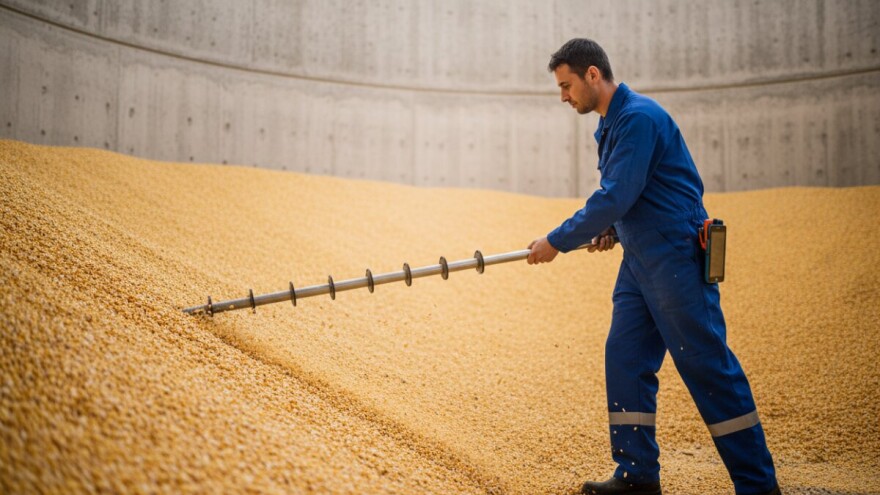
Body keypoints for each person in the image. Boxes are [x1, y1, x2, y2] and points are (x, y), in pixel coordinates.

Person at [527, 38, 780, 495]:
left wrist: (557, 242)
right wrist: (616, 231)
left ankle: (759, 486)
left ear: (592, 75)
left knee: (707, 366)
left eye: (566, 86)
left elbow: (616, 196)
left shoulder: (638, 118)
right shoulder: (612, 124)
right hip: (641, 260)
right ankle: (637, 474)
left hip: (676, 255)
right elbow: (638, 197)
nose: (563, 96)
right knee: (624, 357)